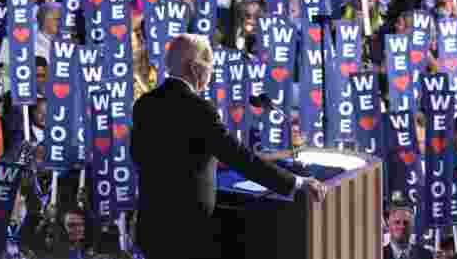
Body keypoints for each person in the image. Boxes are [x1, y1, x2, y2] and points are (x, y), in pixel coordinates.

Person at [130, 33, 327, 259]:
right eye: (209, 68)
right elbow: (242, 159)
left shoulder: (144, 104)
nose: (210, 75)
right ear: (196, 69)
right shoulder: (199, 109)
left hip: (151, 226)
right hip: (187, 232)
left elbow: (139, 155)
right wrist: (299, 182)